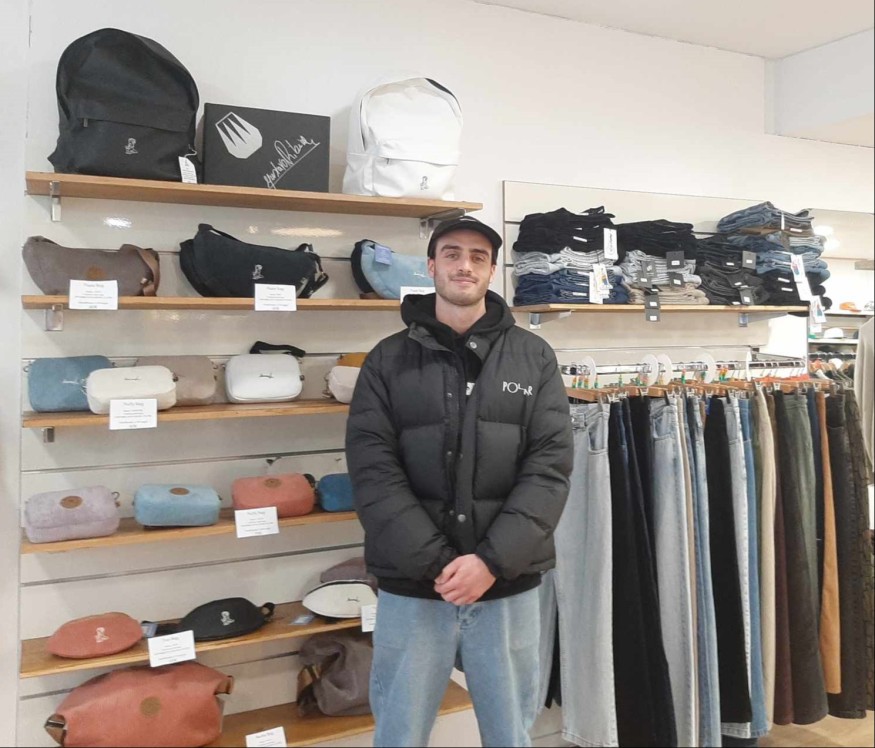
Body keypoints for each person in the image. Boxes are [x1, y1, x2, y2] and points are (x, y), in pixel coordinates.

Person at [345, 215, 573, 747]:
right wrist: (438, 564)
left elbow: (549, 468)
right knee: (399, 733)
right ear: (431, 266)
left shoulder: (534, 357)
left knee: (510, 734)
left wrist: (490, 561)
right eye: (451, 253)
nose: (464, 265)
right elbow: (373, 471)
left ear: (492, 271)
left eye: (477, 257)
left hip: (507, 584)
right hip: (413, 586)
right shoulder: (387, 360)